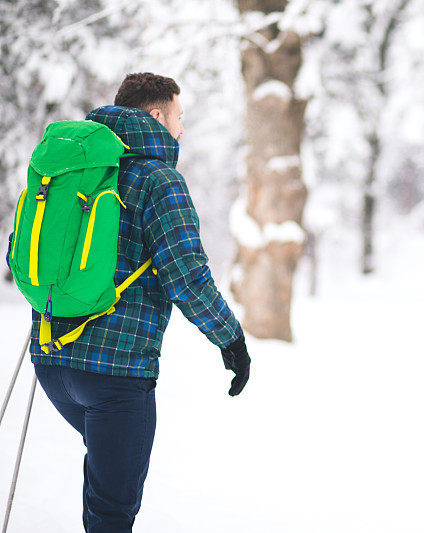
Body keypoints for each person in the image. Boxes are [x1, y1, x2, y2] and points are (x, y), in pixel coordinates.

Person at [7, 72, 251, 532]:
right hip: (116, 377)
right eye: (179, 117)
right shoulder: (160, 180)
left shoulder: (66, 169)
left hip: (52, 362)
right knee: (112, 511)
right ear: (156, 115)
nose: (181, 129)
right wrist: (230, 339)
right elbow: (187, 276)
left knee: (104, 485)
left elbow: (17, 251)